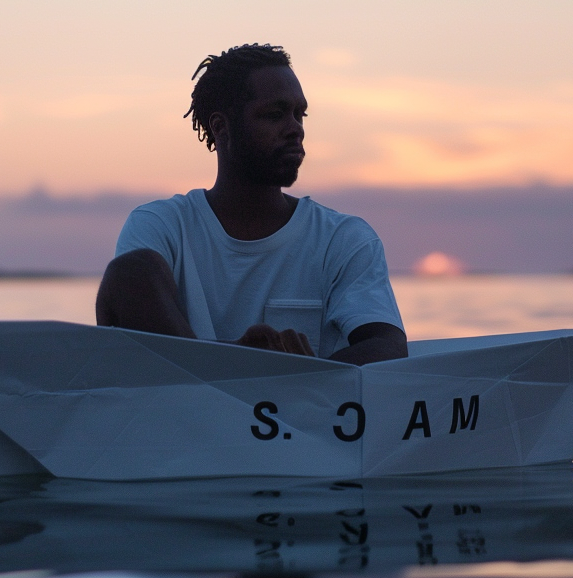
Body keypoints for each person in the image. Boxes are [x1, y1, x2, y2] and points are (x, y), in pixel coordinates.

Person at [96, 43, 407, 365]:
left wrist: (292, 370)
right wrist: (243, 358)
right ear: (220, 126)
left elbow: (388, 346)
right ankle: (215, 375)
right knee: (131, 270)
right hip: (184, 410)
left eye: (300, 115)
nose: (295, 130)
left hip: (302, 409)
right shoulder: (161, 225)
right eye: (275, 115)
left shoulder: (343, 239)